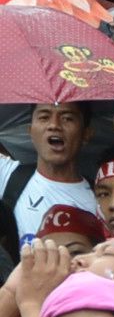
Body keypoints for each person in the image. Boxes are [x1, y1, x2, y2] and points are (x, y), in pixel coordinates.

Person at [0, 101, 98, 256]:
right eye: (44, 117)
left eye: (67, 118)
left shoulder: (101, 198)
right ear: (30, 131)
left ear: (86, 134)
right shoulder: (7, 175)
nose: (54, 125)